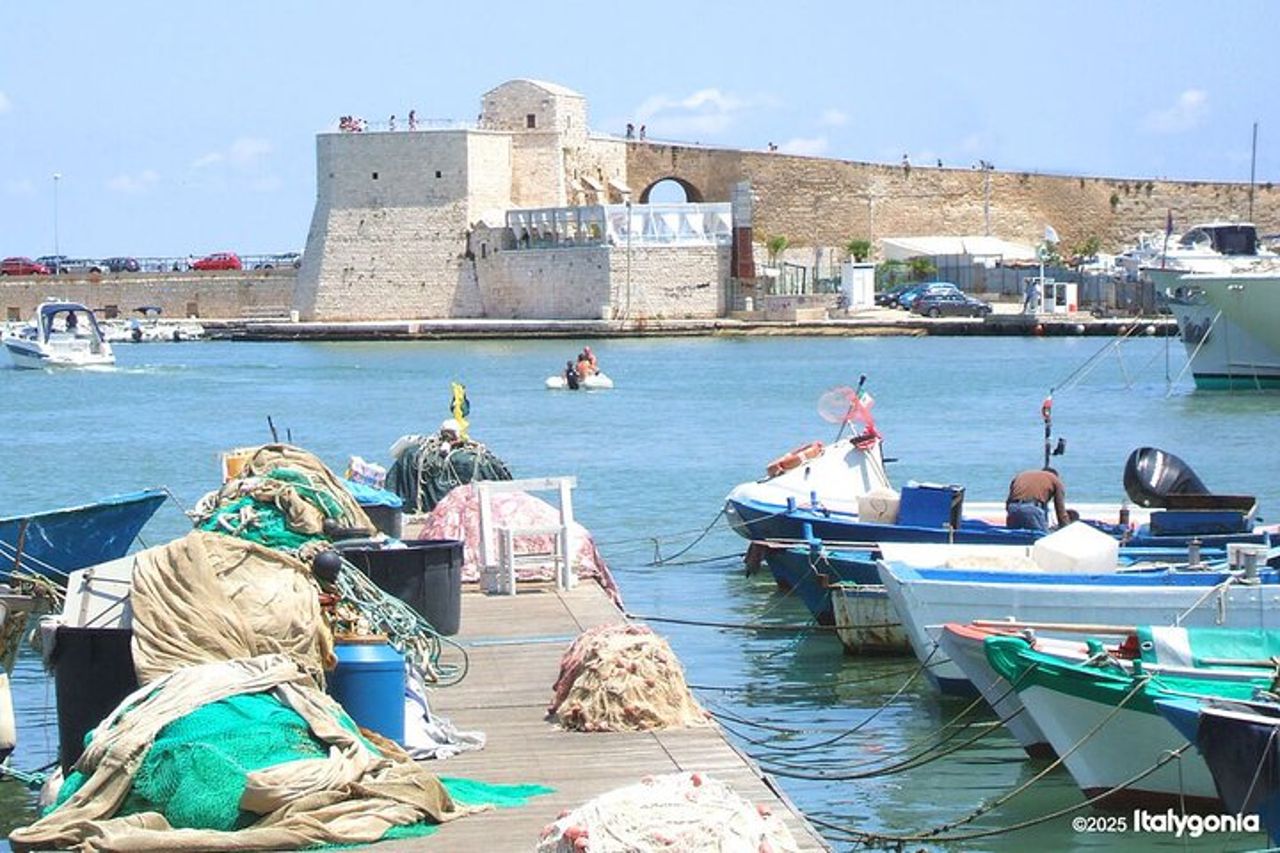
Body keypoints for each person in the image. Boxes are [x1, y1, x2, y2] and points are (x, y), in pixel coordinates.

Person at [1005, 467, 1070, 531]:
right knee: (1043, 537)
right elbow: (1060, 510)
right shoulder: (1055, 480)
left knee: (1016, 536)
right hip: (1032, 509)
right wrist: (1066, 529)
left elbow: (1008, 501)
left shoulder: (1022, 475)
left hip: (1013, 508)